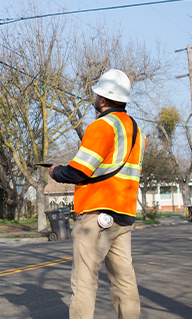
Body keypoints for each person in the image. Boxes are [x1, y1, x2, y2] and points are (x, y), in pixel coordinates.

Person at [49, 69, 144, 319]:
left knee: (84, 282)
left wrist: (57, 171)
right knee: (125, 283)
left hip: (97, 215)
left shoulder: (102, 125)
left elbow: (79, 171)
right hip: (123, 216)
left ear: (102, 99)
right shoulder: (135, 130)